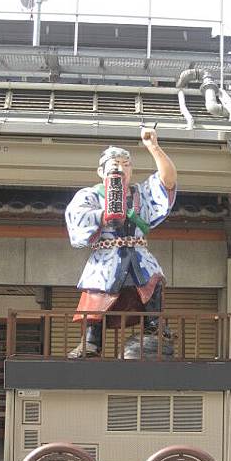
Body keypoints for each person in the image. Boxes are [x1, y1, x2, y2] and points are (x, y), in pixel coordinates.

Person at [65, 127, 177, 358]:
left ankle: (154, 330)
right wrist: (103, 215)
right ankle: (91, 342)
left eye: (126, 164)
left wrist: (153, 147)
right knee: (97, 294)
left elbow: (167, 182)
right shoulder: (90, 195)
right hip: (106, 256)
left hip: (137, 252)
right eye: (114, 163)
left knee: (150, 285)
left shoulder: (140, 194)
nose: (120, 168)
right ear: (100, 170)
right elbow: (78, 216)